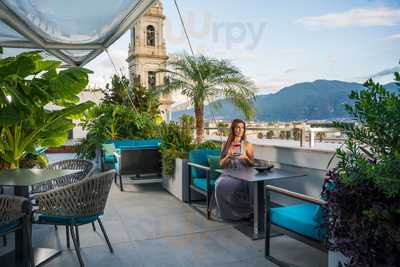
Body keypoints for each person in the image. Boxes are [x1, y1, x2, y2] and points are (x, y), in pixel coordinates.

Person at [210, 119, 254, 221]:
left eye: (242, 127)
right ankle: (226, 214)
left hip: (243, 173)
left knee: (225, 186)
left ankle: (242, 212)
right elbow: (221, 164)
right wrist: (228, 156)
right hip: (228, 172)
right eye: (237, 127)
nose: (240, 130)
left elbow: (252, 164)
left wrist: (245, 158)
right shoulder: (226, 145)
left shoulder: (248, 145)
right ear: (233, 129)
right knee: (219, 184)